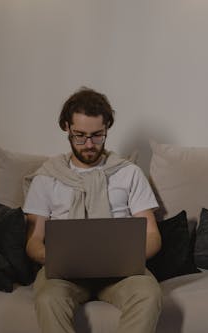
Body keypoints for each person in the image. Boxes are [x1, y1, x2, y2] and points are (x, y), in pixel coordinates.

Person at [23, 87, 163, 333]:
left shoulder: (128, 172)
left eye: (97, 135)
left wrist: (126, 259)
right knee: (48, 298)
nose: (89, 144)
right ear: (66, 127)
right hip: (65, 274)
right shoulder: (47, 177)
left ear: (107, 128)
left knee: (149, 294)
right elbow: (33, 241)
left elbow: (152, 236)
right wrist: (59, 260)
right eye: (80, 135)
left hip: (122, 273)